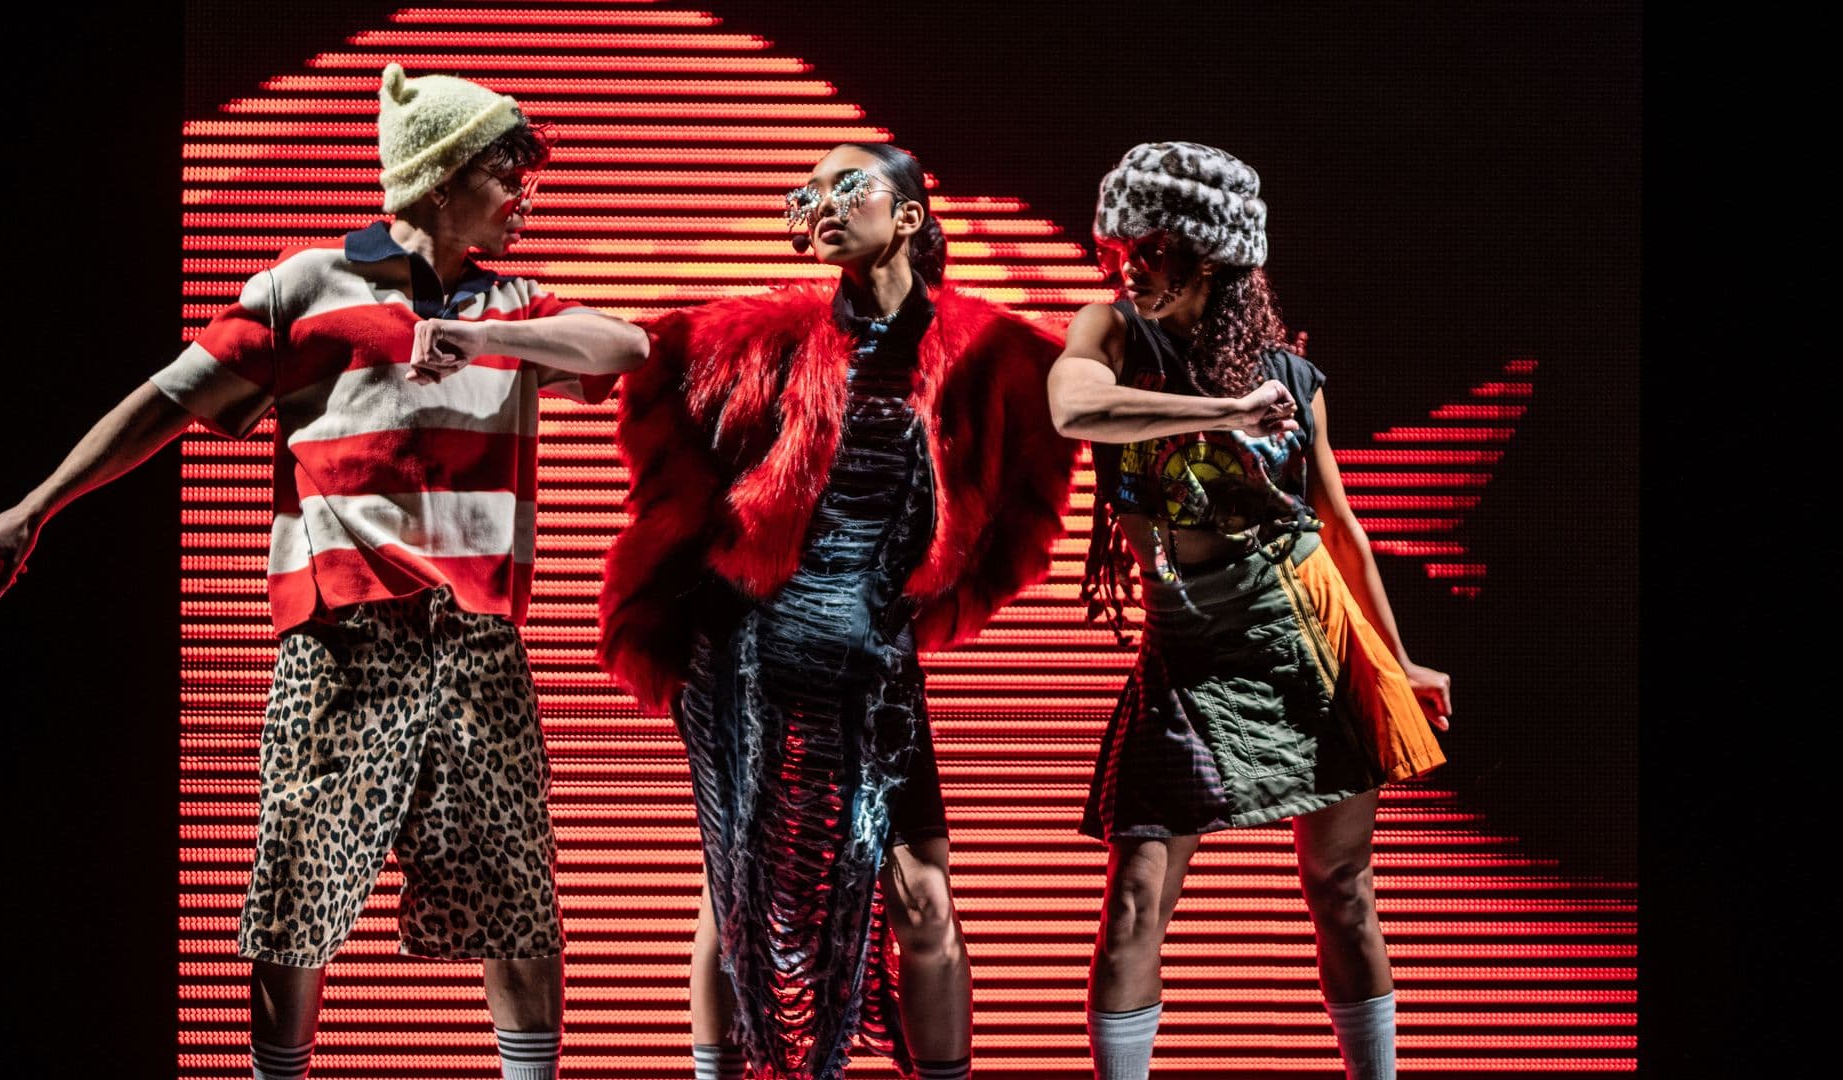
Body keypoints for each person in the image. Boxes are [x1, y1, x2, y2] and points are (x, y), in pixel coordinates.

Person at [0, 65, 648, 1080]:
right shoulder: (307, 286)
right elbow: (166, 400)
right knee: (294, 895)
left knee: (515, 897)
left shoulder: (514, 302)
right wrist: (36, 506)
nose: (525, 192)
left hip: (475, 644)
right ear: (442, 176)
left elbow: (624, 345)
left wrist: (480, 335)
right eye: (507, 169)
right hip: (339, 639)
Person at [597, 143, 1076, 1080]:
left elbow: (1068, 421)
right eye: (806, 192)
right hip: (750, 654)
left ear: (909, 216)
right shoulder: (758, 339)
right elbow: (635, 352)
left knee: (924, 898)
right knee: (732, 892)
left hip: (871, 662)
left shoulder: (993, 351)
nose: (820, 204)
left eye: (847, 187)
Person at [1047, 142, 1452, 1080]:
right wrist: (1226, 415)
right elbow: (1075, 410)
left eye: (1155, 250)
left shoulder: (1292, 379)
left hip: (1303, 630)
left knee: (1342, 887)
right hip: (1187, 647)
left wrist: (1397, 660)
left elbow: (1338, 528)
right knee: (1136, 897)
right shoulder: (1114, 333)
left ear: (1215, 257)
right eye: (1120, 248)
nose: (1130, 267)